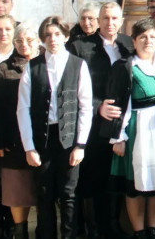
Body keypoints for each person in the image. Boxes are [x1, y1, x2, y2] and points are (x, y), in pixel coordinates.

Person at [16, 16, 94, 239]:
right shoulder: (33, 67)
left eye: (58, 34)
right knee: (44, 194)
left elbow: (85, 107)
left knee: (69, 194)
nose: (53, 39)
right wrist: (29, 147)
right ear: (43, 39)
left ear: (66, 36)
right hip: (43, 138)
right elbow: (22, 109)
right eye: (48, 35)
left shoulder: (78, 65)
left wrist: (80, 145)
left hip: (69, 138)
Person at [104, 18, 155, 239]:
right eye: (143, 37)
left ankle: (152, 229)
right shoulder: (125, 66)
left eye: (152, 36)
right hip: (137, 130)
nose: (148, 41)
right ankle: (139, 231)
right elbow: (117, 102)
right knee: (135, 185)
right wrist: (118, 137)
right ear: (134, 40)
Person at [70, 2, 134, 239]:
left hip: (120, 124)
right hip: (93, 125)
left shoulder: (128, 44)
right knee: (92, 177)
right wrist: (98, 106)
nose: (110, 23)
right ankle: (94, 229)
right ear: (98, 20)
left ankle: (113, 225)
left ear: (121, 20)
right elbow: (70, 85)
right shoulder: (79, 46)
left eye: (114, 18)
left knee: (115, 176)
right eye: (105, 18)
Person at [0, 23, 41, 239]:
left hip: (43, 139)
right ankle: (20, 231)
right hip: (13, 140)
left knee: (43, 189)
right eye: (19, 41)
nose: (24, 44)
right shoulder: (4, 69)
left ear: (38, 41)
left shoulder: (48, 64)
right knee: (18, 191)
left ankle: (44, 228)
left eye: (29, 40)